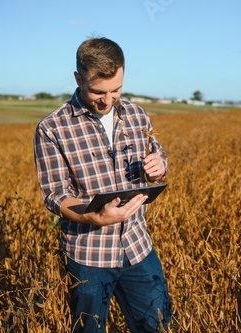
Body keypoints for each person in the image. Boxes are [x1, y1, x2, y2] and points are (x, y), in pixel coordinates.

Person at [34, 37, 172, 332]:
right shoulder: (52, 128)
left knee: (157, 326)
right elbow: (55, 195)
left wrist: (159, 167)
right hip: (87, 255)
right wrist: (92, 217)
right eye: (98, 91)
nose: (108, 100)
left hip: (138, 247)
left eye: (116, 90)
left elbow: (156, 154)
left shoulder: (136, 114)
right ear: (78, 79)